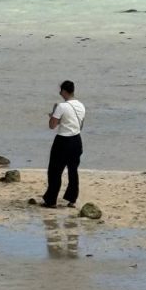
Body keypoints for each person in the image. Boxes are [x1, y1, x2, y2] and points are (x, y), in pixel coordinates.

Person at [41, 80, 85, 208]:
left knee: (55, 171)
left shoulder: (61, 106)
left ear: (65, 91)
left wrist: (53, 115)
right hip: (77, 140)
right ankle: (72, 199)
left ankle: (51, 200)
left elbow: (52, 126)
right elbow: (79, 125)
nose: (60, 93)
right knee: (73, 171)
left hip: (63, 141)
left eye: (61, 91)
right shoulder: (81, 106)